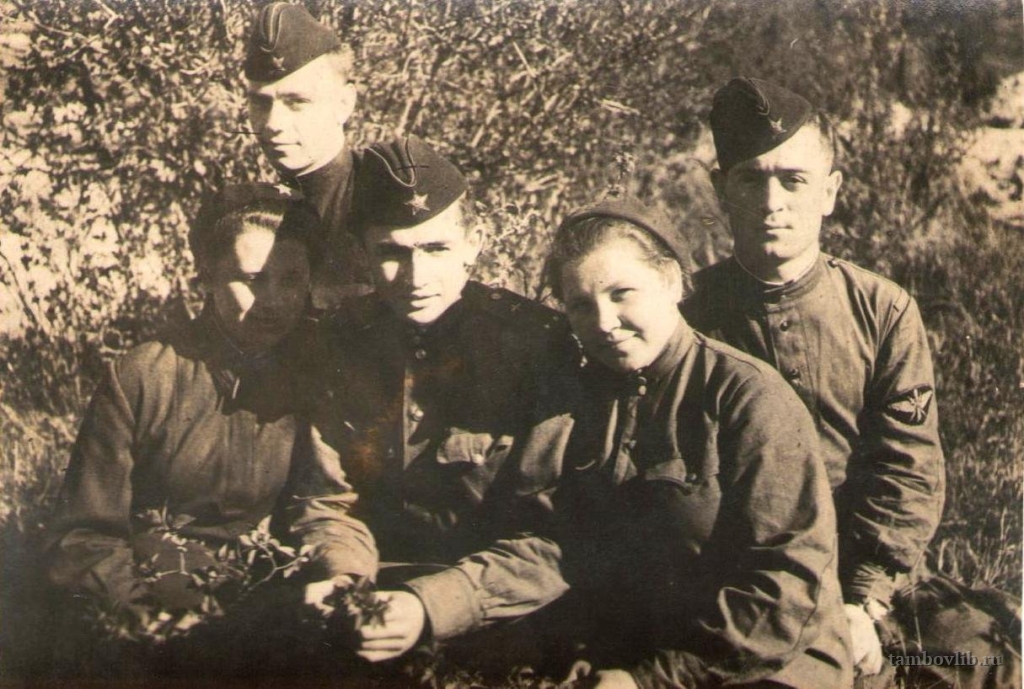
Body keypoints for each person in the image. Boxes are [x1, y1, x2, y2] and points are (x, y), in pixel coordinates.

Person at [682, 76, 980, 684]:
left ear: (830, 192)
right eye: (751, 180)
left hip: (867, 579)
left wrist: (863, 600)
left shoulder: (882, 309)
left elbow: (906, 468)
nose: (773, 203)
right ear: (721, 190)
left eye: (794, 180)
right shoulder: (684, 315)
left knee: (985, 661)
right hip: (741, 581)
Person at [43, 183, 378, 674]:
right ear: (208, 276)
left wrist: (342, 577)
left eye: (290, 280)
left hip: (274, 602)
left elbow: (326, 506)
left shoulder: (321, 371)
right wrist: (153, 623)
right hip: (154, 611)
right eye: (251, 279)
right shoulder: (144, 375)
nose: (272, 301)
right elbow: (84, 536)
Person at [548, 197, 852, 688]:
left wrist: (647, 680)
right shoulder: (583, 401)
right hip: (643, 662)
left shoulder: (748, 396)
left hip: (767, 666)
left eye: (622, 293)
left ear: (670, 281)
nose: (603, 321)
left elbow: (785, 588)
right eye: (581, 305)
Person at [301, 135, 579, 668]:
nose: (416, 277)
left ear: (475, 243)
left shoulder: (536, 347)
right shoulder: (343, 343)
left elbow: (554, 534)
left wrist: (430, 606)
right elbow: (329, 499)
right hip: (374, 605)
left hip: (506, 621)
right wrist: (345, 581)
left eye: (436, 249)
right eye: (392, 253)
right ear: (362, 253)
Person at [244, 2, 370, 308]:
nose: (272, 123)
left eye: (297, 101)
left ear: (344, 103)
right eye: (261, 102)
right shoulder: (249, 211)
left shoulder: (382, 205)